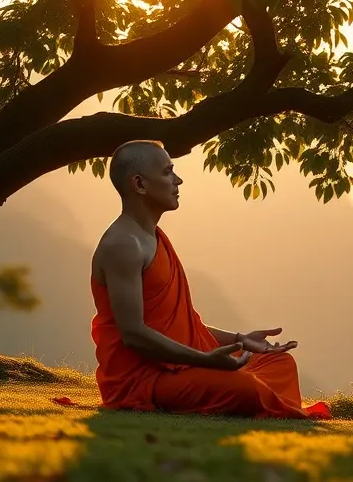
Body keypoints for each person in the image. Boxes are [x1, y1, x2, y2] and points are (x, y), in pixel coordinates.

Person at [89, 139, 330, 419]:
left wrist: (240, 339)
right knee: (246, 387)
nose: (178, 180)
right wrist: (203, 360)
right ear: (140, 185)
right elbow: (133, 334)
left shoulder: (152, 237)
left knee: (280, 362)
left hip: (183, 367)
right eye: (167, 173)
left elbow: (184, 324)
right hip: (144, 379)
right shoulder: (124, 245)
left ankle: (233, 388)